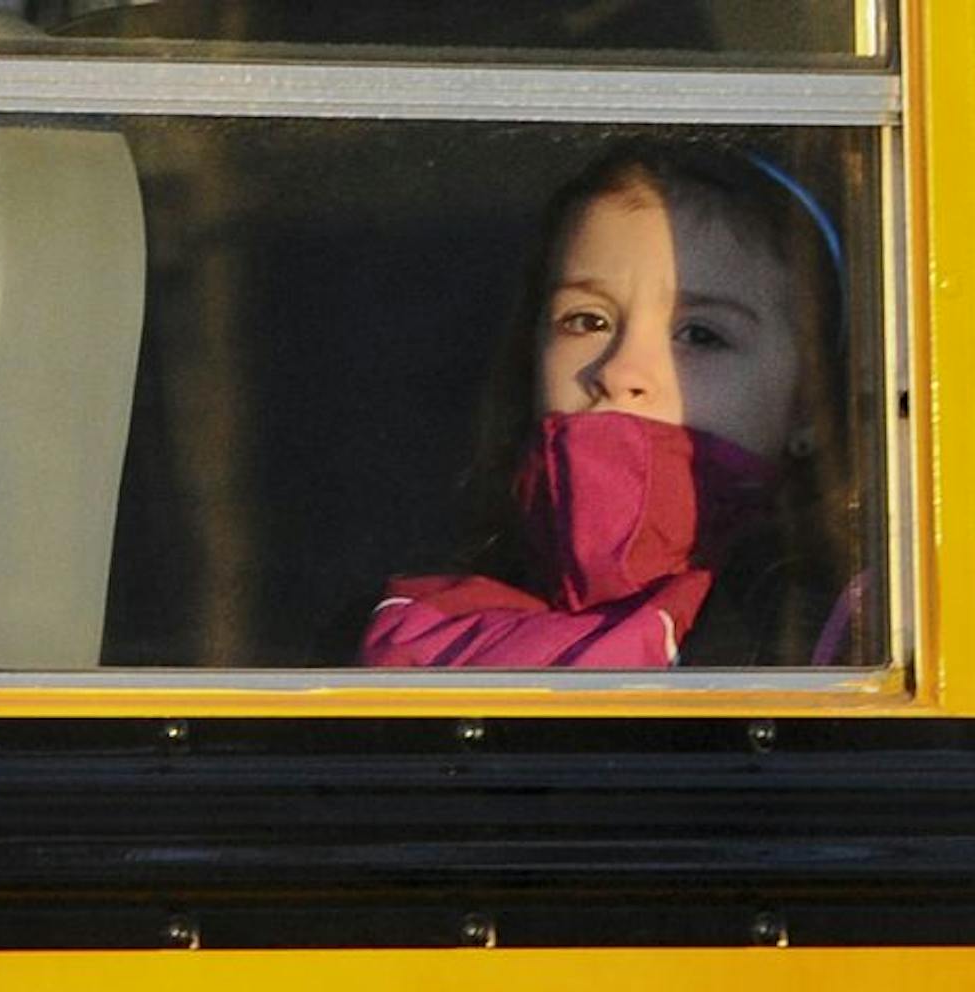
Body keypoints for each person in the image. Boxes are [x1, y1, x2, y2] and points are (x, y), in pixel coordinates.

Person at [361, 135, 867, 669]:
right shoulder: (414, 623)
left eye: (699, 335)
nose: (620, 371)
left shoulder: (835, 639)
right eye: (587, 321)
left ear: (809, 404)